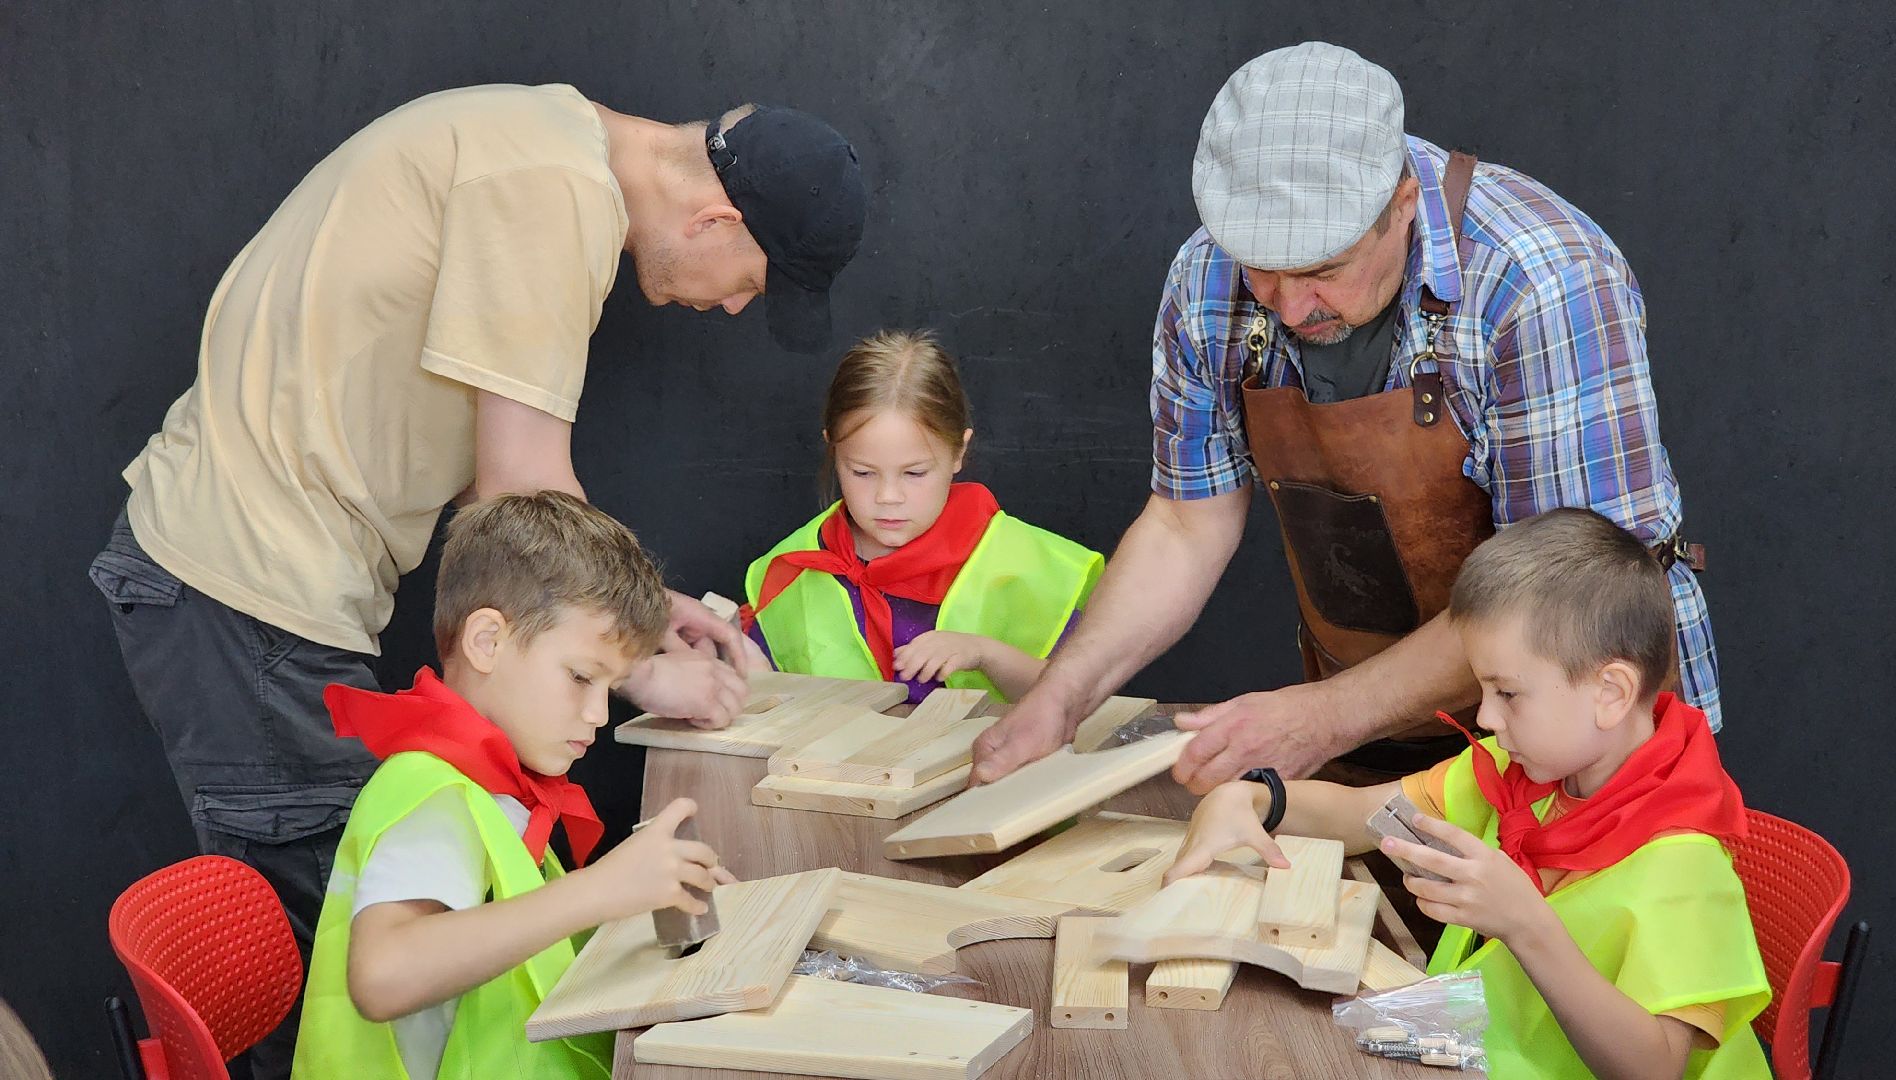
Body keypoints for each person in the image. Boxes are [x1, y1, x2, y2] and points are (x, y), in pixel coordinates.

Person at [89, 84, 860, 1075]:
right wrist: (636, 665)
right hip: (244, 588)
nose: (735, 306)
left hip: (247, 583)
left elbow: (506, 490)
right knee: (342, 988)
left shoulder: (538, 140)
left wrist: (636, 611)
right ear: (715, 217)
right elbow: (516, 489)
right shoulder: (551, 193)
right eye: (751, 281)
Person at [971, 43, 1714, 791]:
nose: (1291, 307)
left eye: (1324, 270)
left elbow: (1562, 596)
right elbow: (1184, 524)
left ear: (1401, 205)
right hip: (1368, 713)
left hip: (1578, 729)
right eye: (1263, 269)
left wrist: (1324, 716)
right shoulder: (1206, 278)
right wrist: (1062, 695)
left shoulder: (1539, 284)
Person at [1168, 508, 1767, 1079]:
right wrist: (1253, 799)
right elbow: (1359, 815)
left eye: (1507, 693)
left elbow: (1654, 1068)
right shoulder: (1521, 774)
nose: (1485, 716)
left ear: (1610, 692)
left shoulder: (1683, 860)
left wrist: (1525, 924)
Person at [293, 491, 733, 1079]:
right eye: (580, 677)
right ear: (487, 642)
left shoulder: (498, 782)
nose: (599, 714)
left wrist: (639, 895)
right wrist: (599, 890)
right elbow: (382, 976)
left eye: (610, 686)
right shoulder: (434, 793)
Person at [740, 330, 1103, 702]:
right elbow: (766, 691)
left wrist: (984, 653)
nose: (888, 497)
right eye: (862, 472)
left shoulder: (1026, 562)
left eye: (914, 473)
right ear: (833, 449)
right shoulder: (793, 568)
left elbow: (1079, 695)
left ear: (958, 452)